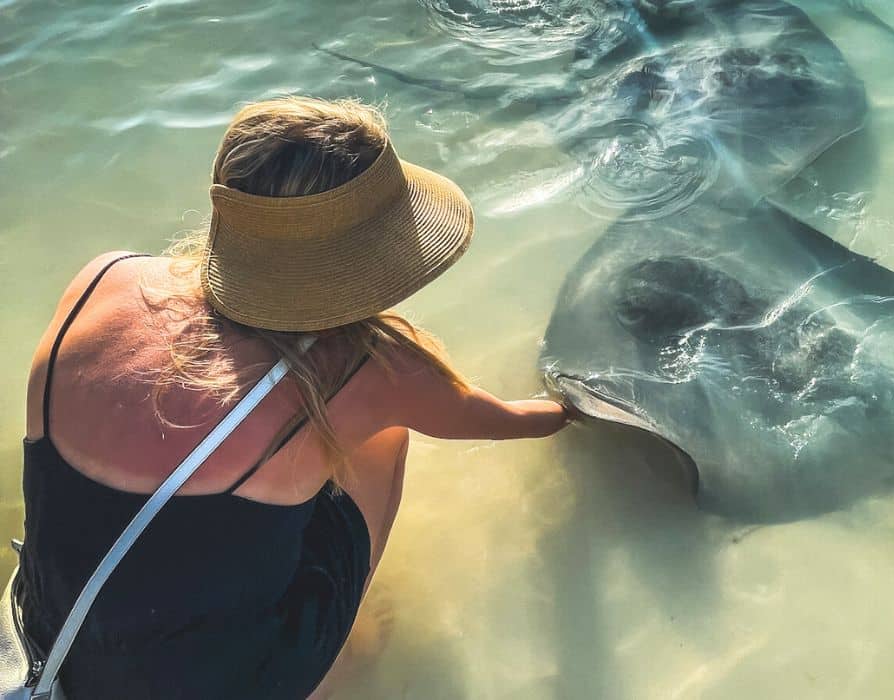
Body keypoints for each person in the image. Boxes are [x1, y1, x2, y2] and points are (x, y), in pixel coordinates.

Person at [13, 96, 571, 699]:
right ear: (362, 256)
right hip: (215, 684)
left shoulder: (104, 277)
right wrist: (571, 408)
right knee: (382, 433)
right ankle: (329, 671)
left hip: (46, 632)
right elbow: (498, 421)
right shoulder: (366, 369)